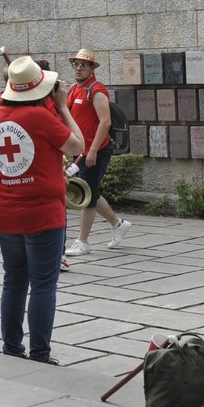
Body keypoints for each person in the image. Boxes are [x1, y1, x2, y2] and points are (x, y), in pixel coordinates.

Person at [0, 56, 85, 365]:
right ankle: (40, 355)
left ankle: (11, 348)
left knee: (13, 281)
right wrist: (62, 106)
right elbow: (77, 146)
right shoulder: (41, 117)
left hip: (5, 213)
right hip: (43, 215)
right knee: (43, 284)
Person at [63, 49, 133, 254]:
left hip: (95, 152)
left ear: (92, 68)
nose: (78, 68)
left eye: (83, 64)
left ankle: (82, 242)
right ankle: (118, 224)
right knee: (91, 190)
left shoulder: (96, 90)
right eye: (76, 64)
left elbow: (105, 122)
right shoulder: (75, 90)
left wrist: (92, 150)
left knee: (88, 193)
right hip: (82, 151)